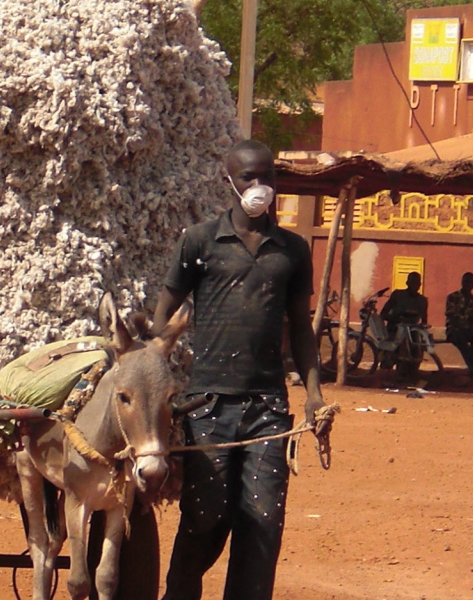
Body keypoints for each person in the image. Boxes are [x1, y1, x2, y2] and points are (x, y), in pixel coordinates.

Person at [150, 139, 327, 600]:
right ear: (229, 180)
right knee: (206, 517)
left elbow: (302, 329)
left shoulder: (292, 250)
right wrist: (151, 369)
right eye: (249, 177)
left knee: (262, 522)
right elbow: (164, 311)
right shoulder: (201, 242)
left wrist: (313, 395)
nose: (260, 186)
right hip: (208, 406)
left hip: (268, 407)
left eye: (267, 176)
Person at [445, 272, 473, 377]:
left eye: (470, 282)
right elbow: (451, 317)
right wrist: (462, 329)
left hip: (470, 329)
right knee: (462, 342)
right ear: (462, 282)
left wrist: (472, 330)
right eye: (465, 281)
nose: (467, 284)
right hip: (454, 329)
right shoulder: (452, 297)